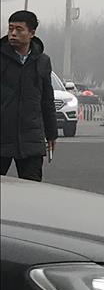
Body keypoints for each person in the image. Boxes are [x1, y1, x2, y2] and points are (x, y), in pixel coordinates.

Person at [1, 10, 58, 181]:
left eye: (19, 29)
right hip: (2, 136)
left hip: (30, 139)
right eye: (10, 28)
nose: (13, 33)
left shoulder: (42, 61)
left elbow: (47, 100)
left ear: (32, 33)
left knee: (32, 190)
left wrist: (51, 133)